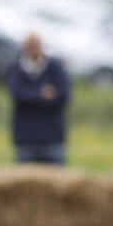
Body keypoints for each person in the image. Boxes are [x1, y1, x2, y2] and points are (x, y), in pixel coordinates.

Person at [5, 32, 71, 165]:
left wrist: (30, 95)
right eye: (30, 46)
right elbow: (18, 95)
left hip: (53, 136)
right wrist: (43, 94)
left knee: (56, 182)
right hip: (25, 138)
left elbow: (63, 96)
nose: (34, 49)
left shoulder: (56, 67)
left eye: (36, 46)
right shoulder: (15, 69)